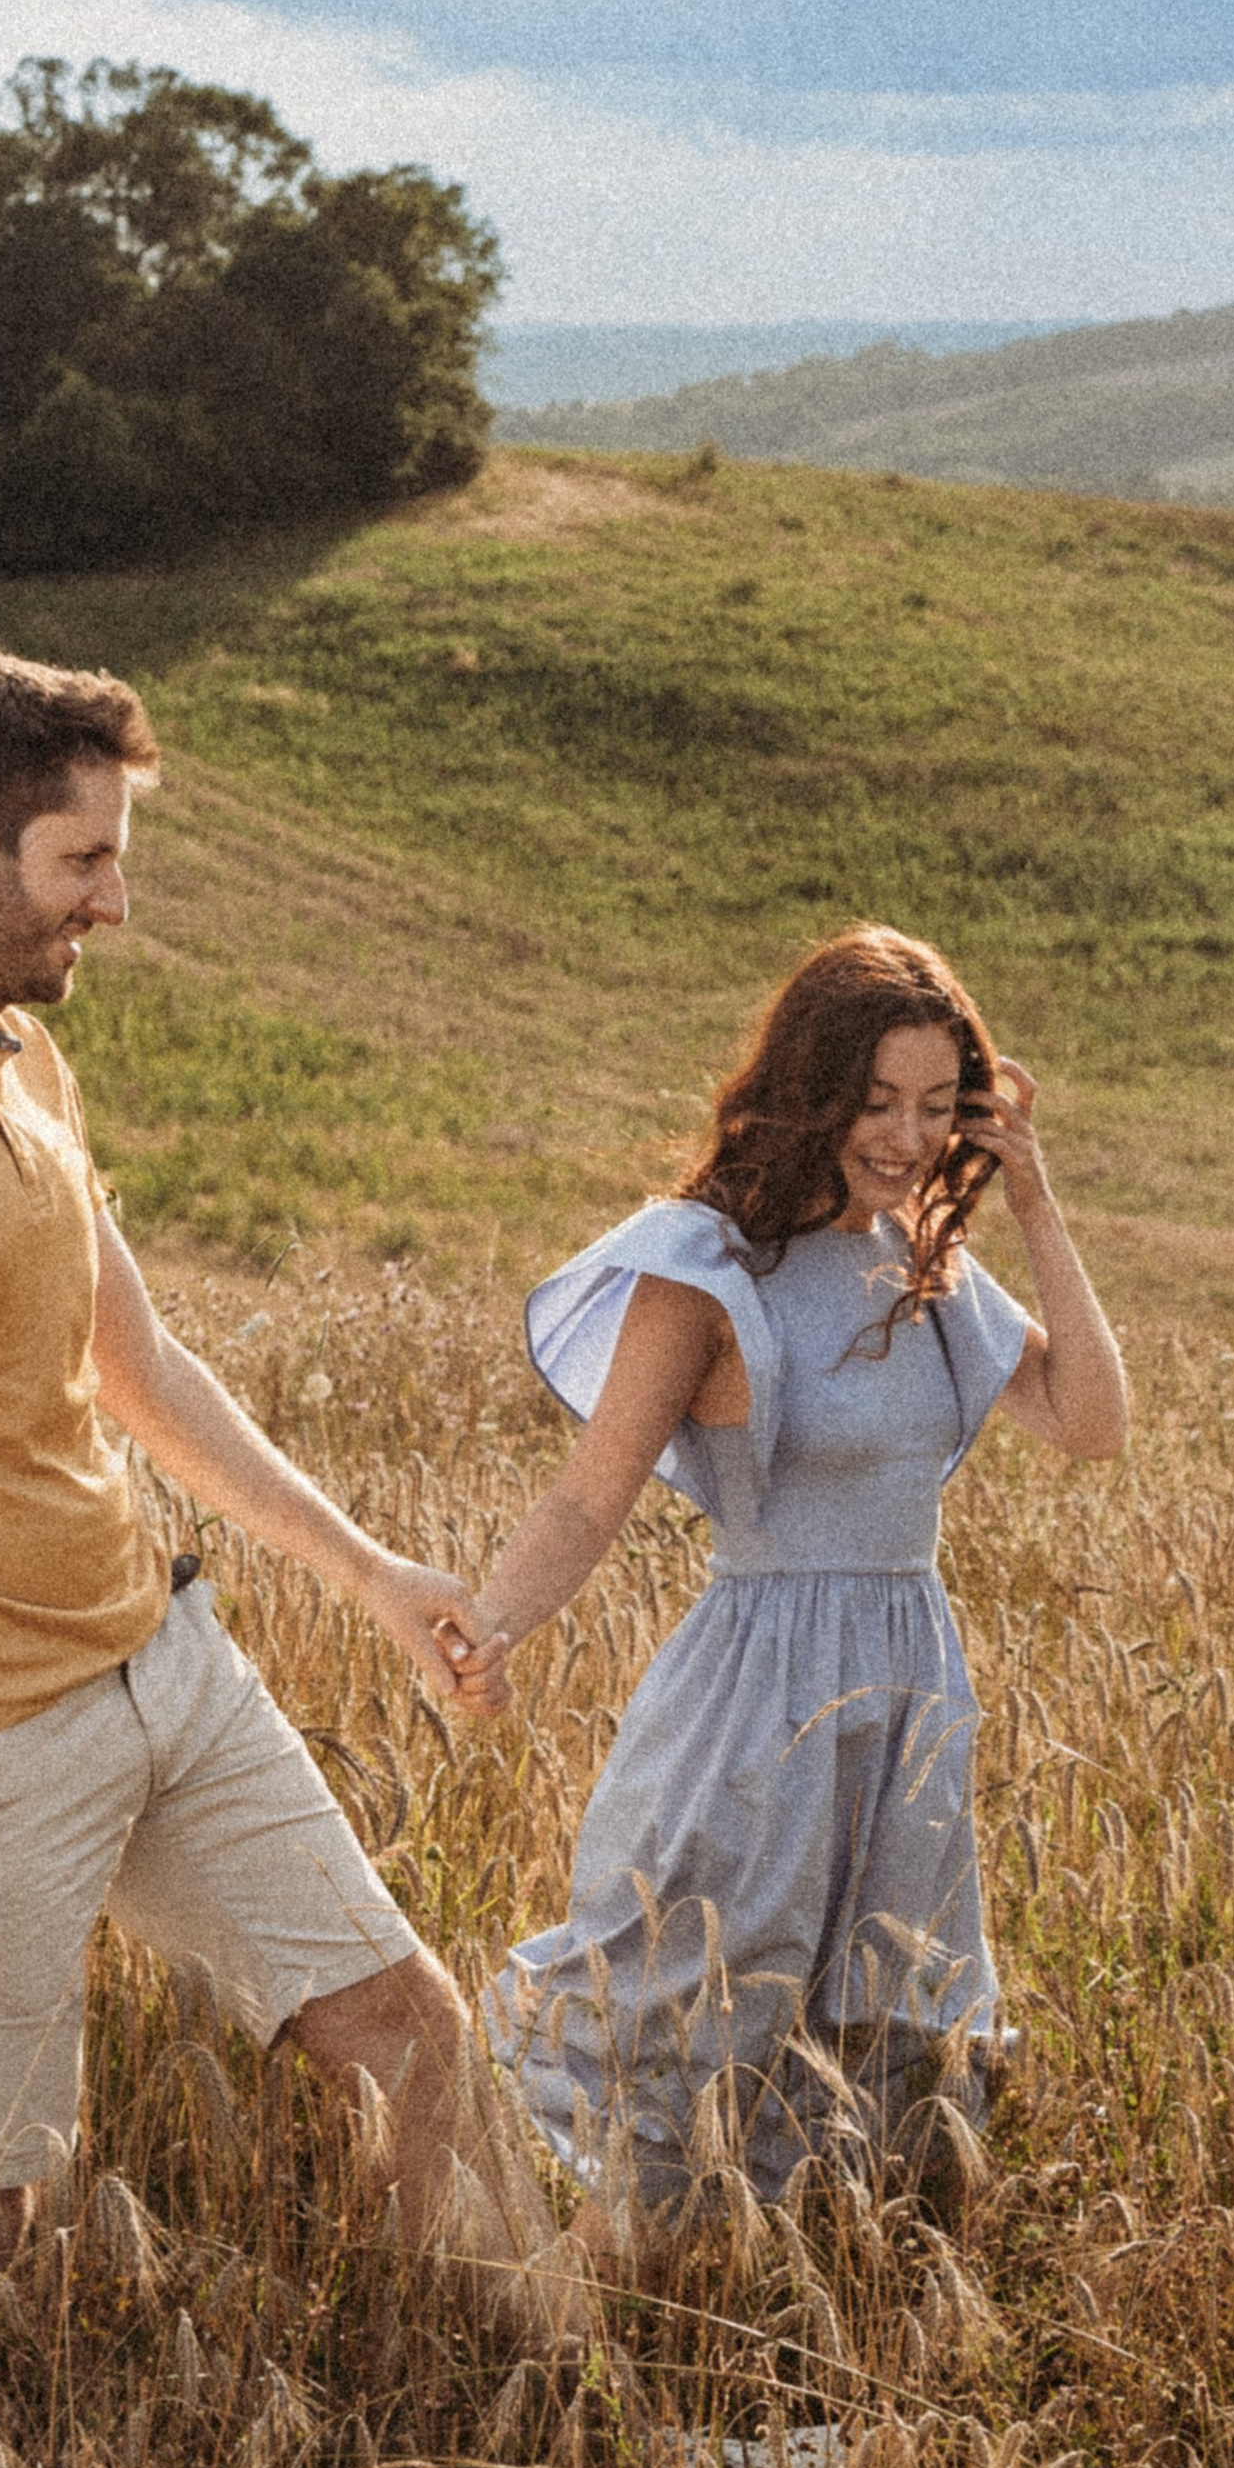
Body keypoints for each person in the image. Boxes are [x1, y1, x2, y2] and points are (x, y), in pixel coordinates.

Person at [0, 641, 551, 2319]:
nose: (115, 905)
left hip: (166, 1675)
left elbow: (137, 1368)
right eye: (84, 861)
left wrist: (371, 1573)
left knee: (414, 2037)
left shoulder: (19, 1054)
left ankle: (546, 2406)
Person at [460, 925, 1127, 2244]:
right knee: (692, 2032)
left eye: (941, 1108)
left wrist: (1038, 1202)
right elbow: (590, 1497)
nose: (906, 1136)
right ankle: (552, 2358)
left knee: (862, 2043)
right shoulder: (712, 1270)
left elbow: (1092, 1420)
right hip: (759, 1706)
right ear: (813, 1088)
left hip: (908, 1706)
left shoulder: (928, 1272)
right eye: (878, 1101)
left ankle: (747, 2376)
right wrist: (485, 1627)